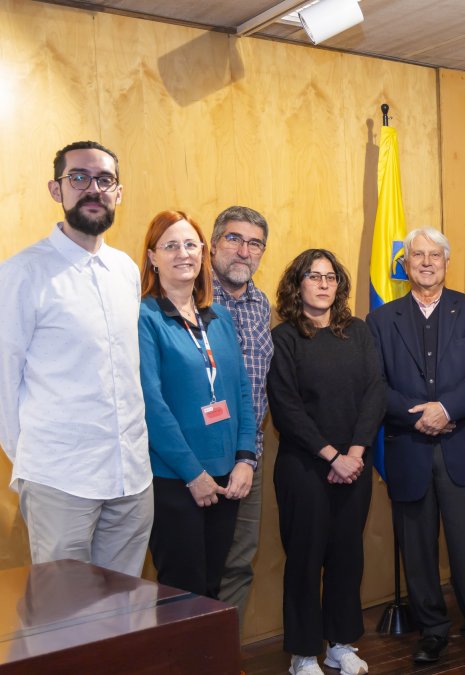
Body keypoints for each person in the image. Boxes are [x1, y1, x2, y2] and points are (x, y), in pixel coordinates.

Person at [0, 141, 153, 576]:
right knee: (65, 619)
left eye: (104, 180)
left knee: (123, 615)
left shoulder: (126, 270)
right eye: (78, 177)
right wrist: (34, 464)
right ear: (57, 190)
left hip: (130, 477)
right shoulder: (22, 273)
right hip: (61, 480)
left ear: (118, 193)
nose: (92, 188)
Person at [366, 227, 465, 664]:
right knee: (418, 549)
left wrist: (446, 409)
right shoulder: (381, 319)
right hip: (409, 448)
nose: (425, 262)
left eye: (434, 255)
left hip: (464, 445)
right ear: (404, 265)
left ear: (446, 263)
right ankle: (432, 631)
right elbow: (375, 385)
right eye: (416, 256)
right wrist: (420, 414)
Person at [268, 249, 385, 675]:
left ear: (339, 285)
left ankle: (340, 643)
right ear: (297, 284)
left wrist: (354, 452)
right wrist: (331, 455)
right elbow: (286, 408)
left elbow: (376, 389)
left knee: (346, 556)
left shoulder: (357, 331)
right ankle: (302, 652)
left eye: (330, 276)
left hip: (354, 464)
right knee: (305, 558)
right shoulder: (284, 338)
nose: (322, 283)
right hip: (306, 468)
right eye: (313, 276)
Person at [138, 210, 256, 598]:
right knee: (180, 593)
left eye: (190, 244)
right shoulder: (144, 317)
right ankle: (183, 663)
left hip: (227, 477)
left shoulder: (218, 316)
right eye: (171, 245)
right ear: (153, 257)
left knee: (211, 587)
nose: (182, 253)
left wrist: (245, 459)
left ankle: (208, 662)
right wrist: (193, 474)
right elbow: (151, 406)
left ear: (203, 252)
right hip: (176, 479)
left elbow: (241, 393)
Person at [210, 206, 274, 624]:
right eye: (234, 239)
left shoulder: (260, 304)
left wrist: (247, 456)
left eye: (254, 243)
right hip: (197, 459)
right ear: (212, 245)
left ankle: (220, 658)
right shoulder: (189, 297)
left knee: (238, 563)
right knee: (191, 569)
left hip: (248, 458)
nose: (243, 251)